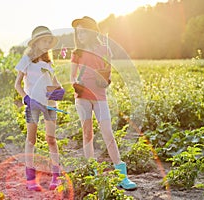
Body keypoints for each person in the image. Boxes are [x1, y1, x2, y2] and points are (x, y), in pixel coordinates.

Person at [70, 16, 137, 190]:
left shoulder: (104, 49)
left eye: (83, 31)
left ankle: (122, 175)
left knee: (108, 133)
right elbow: (72, 76)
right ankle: (93, 172)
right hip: (82, 96)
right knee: (87, 134)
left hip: (100, 96)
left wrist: (106, 81)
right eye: (78, 33)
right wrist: (75, 84)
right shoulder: (76, 53)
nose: (81, 35)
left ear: (92, 31)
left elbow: (107, 74)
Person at [14, 26, 65, 191]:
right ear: (36, 42)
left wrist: (59, 91)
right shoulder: (26, 60)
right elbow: (17, 84)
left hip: (50, 106)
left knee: (51, 139)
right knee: (31, 140)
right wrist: (26, 98)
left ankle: (56, 177)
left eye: (49, 41)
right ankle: (30, 179)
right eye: (44, 40)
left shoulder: (49, 63)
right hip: (33, 106)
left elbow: (55, 84)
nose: (47, 43)